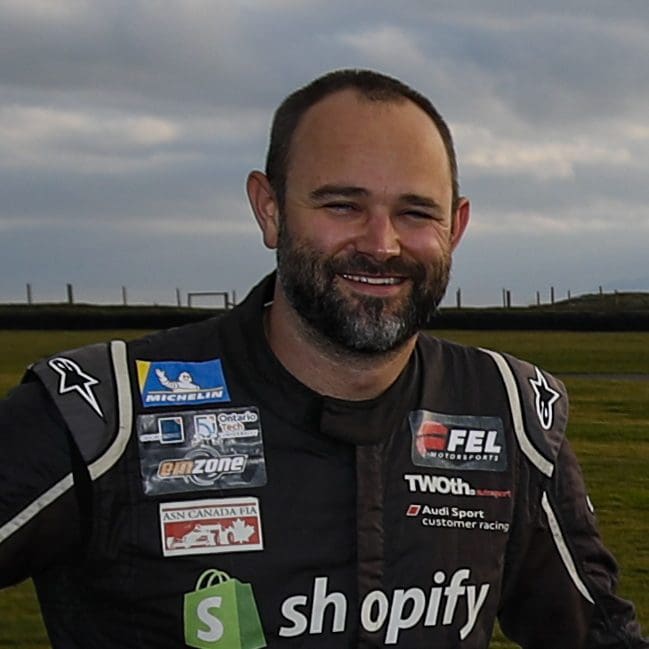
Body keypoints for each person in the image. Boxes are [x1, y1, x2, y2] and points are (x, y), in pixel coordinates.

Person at [0, 69, 646, 649]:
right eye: (343, 205)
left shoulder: (508, 412)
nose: (381, 243)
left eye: (415, 211)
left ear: (455, 226)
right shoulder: (102, 412)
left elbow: (595, 632)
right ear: (270, 209)